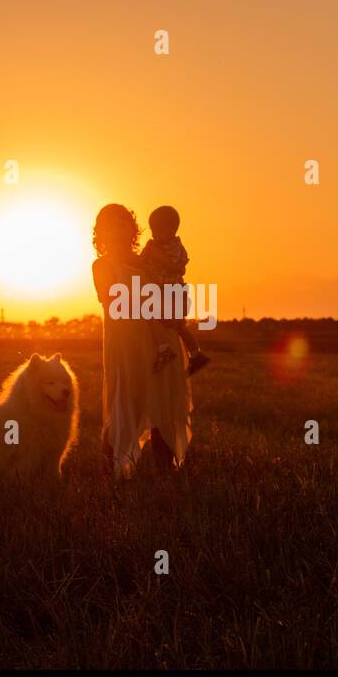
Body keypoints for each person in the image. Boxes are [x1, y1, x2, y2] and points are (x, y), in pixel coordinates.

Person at [92, 204, 192, 477]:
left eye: (122, 223)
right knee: (125, 401)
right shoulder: (102, 265)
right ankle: (114, 469)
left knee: (164, 403)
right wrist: (152, 301)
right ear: (100, 233)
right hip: (125, 341)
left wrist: (175, 307)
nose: (117, 229)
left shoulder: (148, 259)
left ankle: (166, 470)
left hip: (159, 337)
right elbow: (113, 301)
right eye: (109, 225)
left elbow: (172, 282)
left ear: (132, 229)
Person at [140, 205, 210, 376]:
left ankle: (164, 350)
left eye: (159, 230)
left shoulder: (175, 247)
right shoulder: (155, 245)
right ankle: (196, 355)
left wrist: (156, 254)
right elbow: (141, 261)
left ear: (172, 229)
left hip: (171, 290)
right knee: (177, 325)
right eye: (152, 230)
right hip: (163, 290)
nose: (154, 234)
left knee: (152, 314)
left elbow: (177, 268)